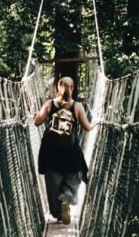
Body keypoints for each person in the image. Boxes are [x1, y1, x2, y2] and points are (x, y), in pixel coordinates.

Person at [34, 76, 96, 224]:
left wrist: (37, 113)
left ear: (57, 89)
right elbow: (87, 128)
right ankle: (66, 200)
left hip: (51, 153)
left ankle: (58, 213)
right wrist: (96, 122)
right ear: (72, 89)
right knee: (73, 179)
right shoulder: (77, 106)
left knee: (53, 186)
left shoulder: (50, 104)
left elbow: (37, 122)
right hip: (70, 152)